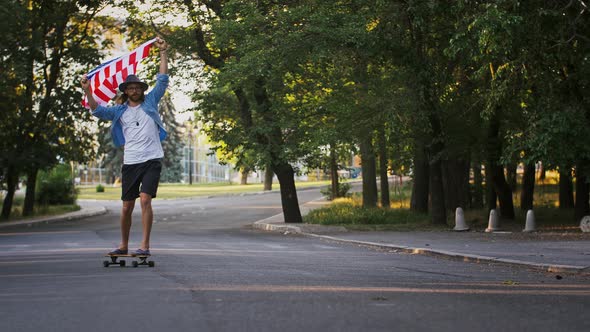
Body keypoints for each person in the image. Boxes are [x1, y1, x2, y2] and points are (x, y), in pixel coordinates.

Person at [80, 37, 169, 256]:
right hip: (131, 161)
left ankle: (145, 246)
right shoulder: (119, 111)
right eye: (130, 88)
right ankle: (123, 245)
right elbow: (97, 110)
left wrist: (163, 52)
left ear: (141, 89)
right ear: (126, 91)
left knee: (146, 199)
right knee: (127, 206)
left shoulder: (150, 101)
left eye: (137, 87)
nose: (134, 90)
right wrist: (88, 90)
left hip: (152, 159)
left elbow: (163, 80)